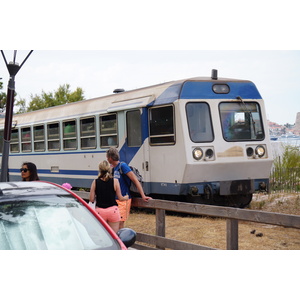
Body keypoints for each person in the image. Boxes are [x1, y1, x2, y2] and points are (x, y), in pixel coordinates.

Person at [106, 147, 151, 229]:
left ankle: (121, 240)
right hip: (115, 199)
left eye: (107, 157)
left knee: (120, 223)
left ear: (110, 158)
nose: (107, 159)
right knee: (113, 222)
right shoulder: (113, 168)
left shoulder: (122, 166)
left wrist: (143, 195)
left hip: (123, 199)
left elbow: (135, 180)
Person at [89, 160, 128, 233]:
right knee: (114, 235)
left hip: (100, 212)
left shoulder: (95, 182)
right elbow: (120, 198)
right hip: (113, 211)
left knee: (102, 235)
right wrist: (126, 197)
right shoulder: (115, 181)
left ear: (100, 170)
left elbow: (91, 199)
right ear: (109, 169)